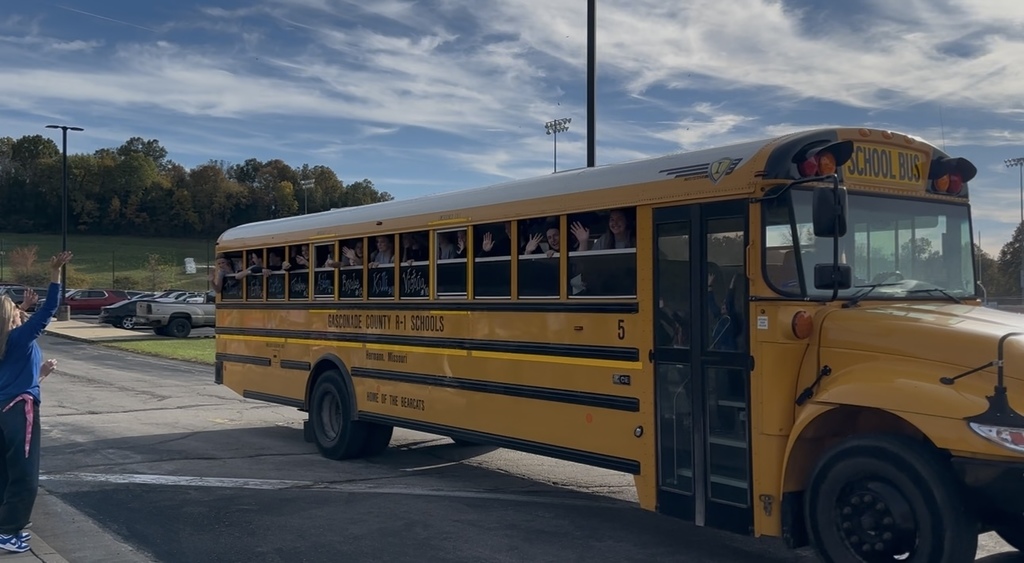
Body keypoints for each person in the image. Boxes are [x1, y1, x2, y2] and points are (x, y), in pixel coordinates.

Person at [0, 250, 71, 553]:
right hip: (20, 409)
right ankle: (9, 532)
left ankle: (4, 525)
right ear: (11, 318)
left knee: (5, 469)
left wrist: (39, 375)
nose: (21, 311)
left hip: (5, 408)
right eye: (16, 310)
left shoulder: (7, 340)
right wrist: (54, 274)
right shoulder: (19, 338)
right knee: (25, 473)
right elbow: (50, 310)